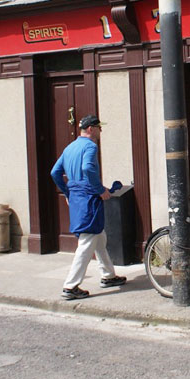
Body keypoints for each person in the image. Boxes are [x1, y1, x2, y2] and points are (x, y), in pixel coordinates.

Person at [51, 114, 126, 300]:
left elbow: (55, 172)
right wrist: (100, 190)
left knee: (99, 237)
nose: (101, 130)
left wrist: (67, 193)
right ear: (91, 129)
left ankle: (108, 276)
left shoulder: (69, 148)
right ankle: (70, 286)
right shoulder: (91, 147)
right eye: (99, 127)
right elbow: (88, 169)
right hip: (88, 200)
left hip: (77, 199)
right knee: (87, 242)